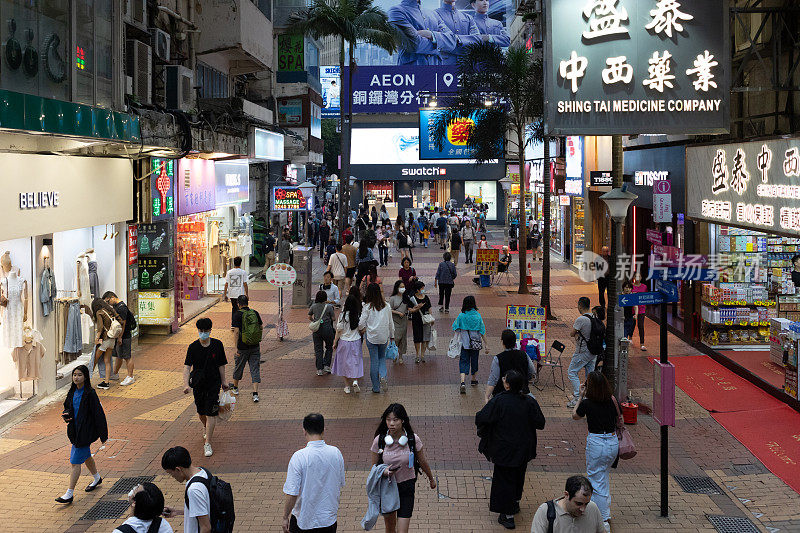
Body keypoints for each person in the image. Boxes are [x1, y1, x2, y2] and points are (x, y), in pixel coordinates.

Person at [476, 370, 546, 530]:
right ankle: (514, 502)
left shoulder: (499, 401)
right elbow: (540, 422)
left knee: (504, 479)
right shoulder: (528, 401)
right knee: (518, 475)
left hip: (503, 448)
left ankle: (508, 515)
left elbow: (482, 418)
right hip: (524, 448)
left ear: (507, 384)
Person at [370, 404, 436, 533]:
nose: (391, 423)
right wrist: (384, 471)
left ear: (403, 420)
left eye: (395, 420)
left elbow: (422, 461)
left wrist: (431, 479)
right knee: (390, 529)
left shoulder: (412, 439)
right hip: (387, 487)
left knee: (402, 531)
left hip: (406, 487)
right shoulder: (380, 440)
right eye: (388, 420)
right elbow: (374, 467)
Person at [572, 371, 619, 530]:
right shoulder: (612, 400)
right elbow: (622, 420)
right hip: (612, 443)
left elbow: (575, 416)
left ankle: (603, 520)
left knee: (596, 482)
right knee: (603, 477)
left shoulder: (587, 403)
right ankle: (606, 512)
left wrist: (580, 396)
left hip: (597, 444)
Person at [283, 414, 346, 533]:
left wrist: (285, 517)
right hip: (328, 520)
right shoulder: (336, 453)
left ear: (304, 431)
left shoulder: (299, 457)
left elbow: (292, 493)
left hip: (303, 521)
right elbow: (340, 482)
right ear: (323, 430)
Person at [55, 365, 107, 504]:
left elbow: (98, 414)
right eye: (74, 375)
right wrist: (66, 414)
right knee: (86, 456)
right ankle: (97, 478)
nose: (76, 377)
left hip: (85, 433)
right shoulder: (72, 392)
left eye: (79, 375)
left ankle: (69, 493)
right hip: (75, 431)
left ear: (85, 377)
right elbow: (67, 407)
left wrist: (103, 435)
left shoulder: (90, 393)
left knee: (75, 462)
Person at [183, 318, 228, 457]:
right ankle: (206, 426)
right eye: (200, 331)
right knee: (201, 412)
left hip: (213, 384)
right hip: (198, 385)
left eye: (205, 331)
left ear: (210, 331)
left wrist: (224, 381)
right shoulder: (193, 347)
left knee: (211, 413)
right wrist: (186, 384)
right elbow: (187, 367)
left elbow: (221, 364)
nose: (203, 333)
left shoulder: (217, 345)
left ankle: (207, 443)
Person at [161, 446, 213, 533]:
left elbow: (206, 527)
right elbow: (203, 510)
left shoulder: (194, 490)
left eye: (171, 473)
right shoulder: (203, 472)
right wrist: (178, 511)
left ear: (178, 469)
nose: (172, 477)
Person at [531, 476, 605, 533]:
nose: (583, 509)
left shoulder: (593, 508)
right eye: (579, 503)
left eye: (586, 504)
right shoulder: (545, 511)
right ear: (567, 495)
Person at [360, 283, 395, 393]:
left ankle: (375, 387)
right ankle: (383, 376)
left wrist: (364, 328)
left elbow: (361, 323)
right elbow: (391, 323)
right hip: (384, 337)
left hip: (371, 338)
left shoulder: (367, 307)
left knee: (374, 361)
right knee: (382, 359)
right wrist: (392, 336)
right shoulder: (387, 306)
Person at [485, 329, 536, 402]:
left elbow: (493, 379)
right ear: (515, 341)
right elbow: (532, 372)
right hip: (523, 393)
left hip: (502, 395)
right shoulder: (524, 354)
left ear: (502, 342)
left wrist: (487, 396)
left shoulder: (498, 358)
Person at [452, 295, 489, 393]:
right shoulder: (477, 316)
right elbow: (482, 331)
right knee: (474, 361)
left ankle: (463, 382)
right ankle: (473, 379)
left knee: (463, 361)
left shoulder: (461, 316)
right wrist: (486, 345)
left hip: (464, 344)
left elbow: (455, 327)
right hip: (475, 344)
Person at [230, 295, 263, 402]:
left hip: (242, 347)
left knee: (239, 367)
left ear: (238, 304)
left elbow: (236, 332)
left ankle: (235, 388)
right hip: (255, 346)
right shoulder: (255, 312)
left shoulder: (237, 315)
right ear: (247, 302)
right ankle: (255, 393)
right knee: (255, 369)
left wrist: (235, 348)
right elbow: (261, 327)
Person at [332, 292, 364, 393]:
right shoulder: (358, 314)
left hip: (344, 342)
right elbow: (361, 328)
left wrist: (335, 342)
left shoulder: (342, 315)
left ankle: (347, 386)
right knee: (355, 362)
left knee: (343, 363)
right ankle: (355, 380)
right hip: (356, 341)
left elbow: (339, 330)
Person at [567, 297, 596, 409]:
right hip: (593, 351)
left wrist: (578, 332)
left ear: (580, 305)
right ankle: (589, 396)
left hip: (582, 351)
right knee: (589, 374)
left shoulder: (581, 319)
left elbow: (571, 333)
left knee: (572, 372)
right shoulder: (594, 316)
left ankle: (577, 397)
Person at [104, 291, 136, 386]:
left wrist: (120, 337)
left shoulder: (121, 308)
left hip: (124, 336)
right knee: (119, 355)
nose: (108, 303)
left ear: (113, 297)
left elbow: (123, 323)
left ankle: (130, 377)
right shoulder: (117, 307)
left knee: (127, 356)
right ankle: (114, 374)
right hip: (120, 336)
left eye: (108, 301)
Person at [90, 297, 122, 390]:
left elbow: (100, 328)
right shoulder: (110, 311)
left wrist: (96, 339)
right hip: (112, 339)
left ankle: (87, 382)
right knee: (107, 361)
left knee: (94, 361)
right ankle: (106, 382)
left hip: (104, 340)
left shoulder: (99, 312)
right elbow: (120, 320)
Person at [309, 290, 336, 376]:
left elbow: (309, 316)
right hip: (327, 329)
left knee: (318, 349)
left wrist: (315, 321)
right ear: (325, 298)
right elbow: (334, 318)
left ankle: (319, 369)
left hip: (317, 330)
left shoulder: (313, 306)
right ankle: (327, 365)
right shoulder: (329, 307)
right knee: (329, 347)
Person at [408, 281, 433, 364]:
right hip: (416, 320)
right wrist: (417, 308)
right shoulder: (412, 298)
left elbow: (429, 308)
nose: (423, 289)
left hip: (425, 321)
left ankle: (422, 355)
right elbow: (410, 310)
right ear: (417, 290)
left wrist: (431, 318)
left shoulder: (426, 298)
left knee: (425, 338)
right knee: (417, 338)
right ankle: (417, 355)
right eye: (422, 288)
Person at [388, 280, 410, 365]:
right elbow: (389, 309)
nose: (402, 288)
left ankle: (400, 356)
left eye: (403, 287)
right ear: (397, 288)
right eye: (401, 287)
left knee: (403, 339)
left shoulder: (406, 297)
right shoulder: (393, 298)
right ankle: (395, 354)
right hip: (395, 321)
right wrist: (398, 313)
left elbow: (409, 307)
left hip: (404, 321)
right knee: (396, 338)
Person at [223, 256, 248, 326]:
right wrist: (247, 294)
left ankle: (233, 324)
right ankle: (240, 324)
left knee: (234, 309)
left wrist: (225, 295)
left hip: (232, 294)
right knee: (241, 309)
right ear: (241, 263)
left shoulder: (229, 272)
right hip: (240, 294)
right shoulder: (243, 272)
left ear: (234, 263)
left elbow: (226, 284)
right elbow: (245, 284)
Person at [631, 271, 647, 350]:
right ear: (633, 278)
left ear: (641, 278)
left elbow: (646, 297)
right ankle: (630, 338)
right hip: (632, 310)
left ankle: (642, 344)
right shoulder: (631, 286)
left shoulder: (644, 286)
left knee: (640, 326)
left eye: (639, 276)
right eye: (636, 276)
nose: (637, 278)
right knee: (632, 325)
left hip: (641, 310)